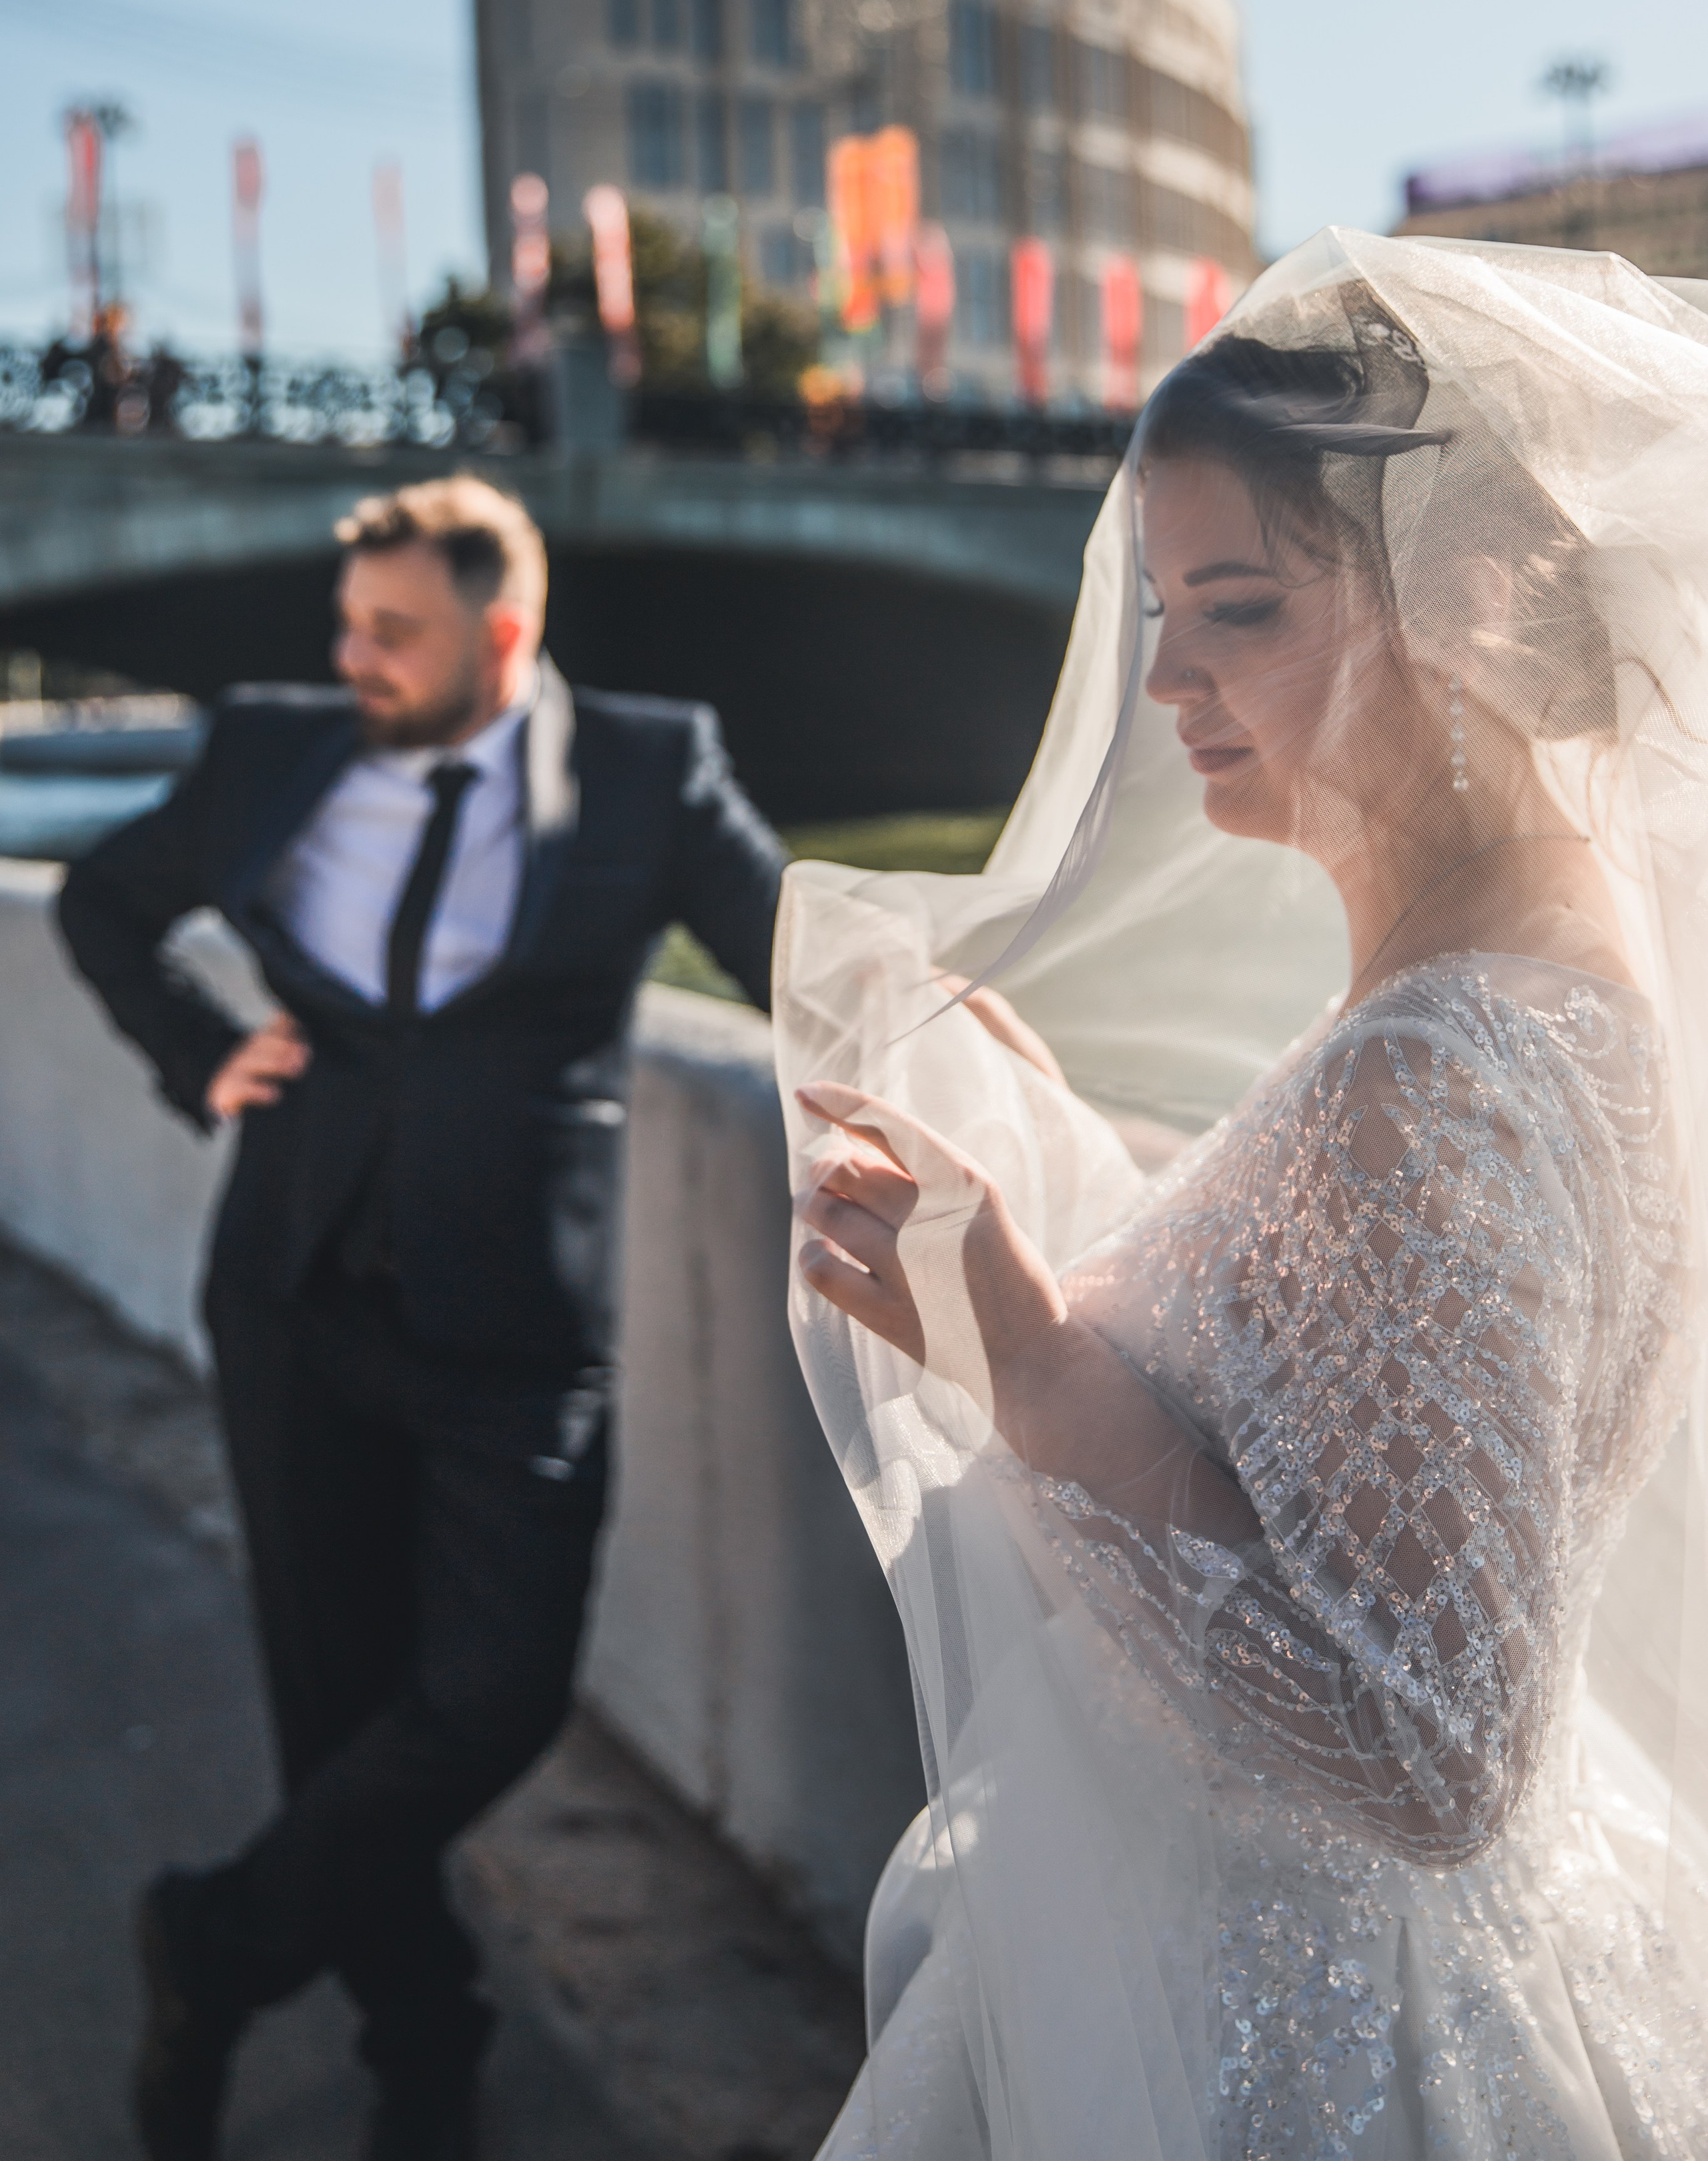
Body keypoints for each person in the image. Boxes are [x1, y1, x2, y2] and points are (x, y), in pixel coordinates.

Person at [775, 234, 1708, 2158]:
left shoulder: (1431, 1080)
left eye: (1241, 608)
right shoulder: (1524, 977)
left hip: (1312, 2038)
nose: (1169, 674)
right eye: (1162, 610)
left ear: (1453, 610)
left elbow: (1429, 1746)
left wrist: (1022, 1354)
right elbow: (1342, 1359)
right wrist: (1083, 1168)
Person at [57, 475, 786, 2161]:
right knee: (333, 1709)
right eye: (348, 626)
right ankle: (426, 2061)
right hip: (292, 1301)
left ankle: (216, 1940)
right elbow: (105, 902)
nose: (355, 657)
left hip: (516, 1331)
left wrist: (973, 1060)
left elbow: (799, 960)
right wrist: (197, 1052)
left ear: (504, 634)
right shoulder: (272, 747)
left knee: (495, 1696)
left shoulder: (644, 766)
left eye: (395, 632)